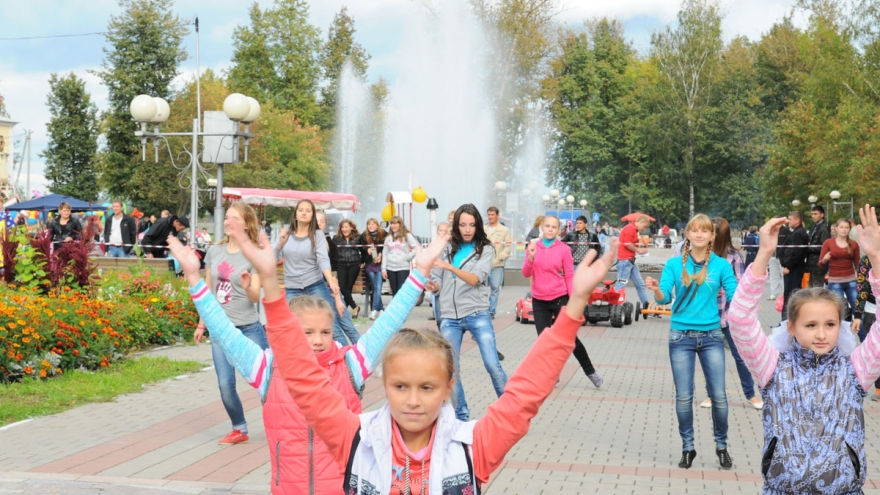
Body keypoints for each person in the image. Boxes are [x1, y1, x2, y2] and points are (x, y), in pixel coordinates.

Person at [248, 217, 618, 495]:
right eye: (400, 386)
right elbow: (304, 380)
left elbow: (524, 395)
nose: (412, 401)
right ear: (384, 386)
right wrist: (270, 290)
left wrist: (574, 308)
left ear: (448, 388)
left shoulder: (473, 448)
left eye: (427, 387)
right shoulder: (355, 441)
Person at [168, 228, 449, 493]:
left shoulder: (351, 365)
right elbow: (224, 331)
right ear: (289, 332)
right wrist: (194, 278)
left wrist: (420, 272)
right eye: (308, 333)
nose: (318, 340)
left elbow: (388, 323)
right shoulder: (267, 368)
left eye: (325, 332)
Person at [728, 207, 880, 493]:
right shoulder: (771, 367)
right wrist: (763, 255)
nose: (821, 334)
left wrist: (875, 258)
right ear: (792, 327)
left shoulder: (855, 370)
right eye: (810, 325)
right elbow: (739, 320)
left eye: (830, 324)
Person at [645, 214, 737, 470]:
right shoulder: (674, 265)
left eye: (704, 231)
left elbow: (735, 296)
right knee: (684, 397)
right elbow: (664, 299)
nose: (698, 234)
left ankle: (721, 446)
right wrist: (655, 290)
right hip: (680, 337)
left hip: (711, 336)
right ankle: (688, 448)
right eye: (694, 230)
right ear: (687, 234)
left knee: (719, 396)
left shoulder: (721, 265)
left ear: (711, 236)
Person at [192, 201, 268, 446]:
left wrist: (248, 288)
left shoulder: (253, 253)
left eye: (234, 218)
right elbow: (208, 293)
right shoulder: (214, 251)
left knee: (267, 382)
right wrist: (202, 324)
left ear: (245, 223)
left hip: (248, 328)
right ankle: (239, 428)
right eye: (226, 217)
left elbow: (256, 296)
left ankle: (288, 424)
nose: (227, 222)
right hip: (221, 331)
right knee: (225, 384)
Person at [427, 203, 507, 421]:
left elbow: (475, 279)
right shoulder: (447, 248)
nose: (467, 229)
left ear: (478, 225)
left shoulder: (485, 248)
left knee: (492, 363)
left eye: (471, 224)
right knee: (451, 370)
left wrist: (450, 268)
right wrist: (432, 286)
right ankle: (461, 416)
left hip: (477, 313)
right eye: (463, 224)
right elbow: (438, 280)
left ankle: (510, 410)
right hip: (450, 318)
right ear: (456, 225)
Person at [523, 215, 604, 388]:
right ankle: (553, 375)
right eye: (547, 226)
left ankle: (590, 371)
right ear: (542, 228)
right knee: (544, 342)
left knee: (570, 339)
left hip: (560, 299)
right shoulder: (533, 247)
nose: (550, 229)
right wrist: (530, 258)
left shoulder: (563, 249)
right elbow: (525, 273)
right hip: (539, 301)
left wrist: (574, 302)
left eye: (554, 227)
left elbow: (569, 275)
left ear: (558, 230)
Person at [699, 218, 762, 410]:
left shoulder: (734, 257)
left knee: (740, 355)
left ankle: (750, 394)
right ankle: (712, 394)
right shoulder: (701, 255)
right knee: (712, 357)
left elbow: (740, 285)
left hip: (730, 315)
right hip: (707, 315)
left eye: (709, 231)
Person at [276, 200, 359, 346]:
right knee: (293, 329)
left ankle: (345, 361)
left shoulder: (317, 235)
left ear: (312, 215)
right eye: (301, 209)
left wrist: (331, 282)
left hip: (314, 285)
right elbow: (272, 259)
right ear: (295, 213)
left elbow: (323, 259)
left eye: (308, 210)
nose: (304, 213)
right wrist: (279, 245)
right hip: (292, 289)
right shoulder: (285, 234)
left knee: (331, 326)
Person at [819, 218, 860, 319]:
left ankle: (865, 335)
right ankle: (840, 334)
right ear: (836, 228)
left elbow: (858, 265)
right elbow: (820, 264)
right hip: (835, 281)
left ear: (849, 229)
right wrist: (825, 259)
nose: (844, 230)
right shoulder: (828, 243)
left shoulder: (854, 244)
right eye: (841, 227)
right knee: (838, 312)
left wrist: (861, 281)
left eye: (846, 227)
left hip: (851, 281)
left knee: (858, 310)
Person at [614, 216, 652, 312]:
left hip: (629, 261)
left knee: (640, 284)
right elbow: (627, 244)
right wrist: (638, 250)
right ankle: (615, 308)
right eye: (644, 226)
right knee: (620, 285)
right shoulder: (630, 228)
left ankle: (647, 307)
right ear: (641, 222)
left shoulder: (633, 230)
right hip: (625, 261)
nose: (644, 229)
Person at [778, 211, 809, 320]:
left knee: (790, 294)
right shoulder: (796, 232)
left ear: (797, 220)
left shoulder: (798, 233)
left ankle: (787, 320)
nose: (788, 221)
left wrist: (788, 266)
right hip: (793, 268)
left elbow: (796, 253)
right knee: (790, 293)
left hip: (793, 269)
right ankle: (786, 319)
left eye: (790, 219)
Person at [381, 215, 419, 297]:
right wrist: (384, 269)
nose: (393, 226)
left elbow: (417, 247)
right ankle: (395, 309)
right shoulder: (388, 238)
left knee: (401, 291)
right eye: (391, 224)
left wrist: (408, 258)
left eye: (395, 223)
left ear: (400, 224)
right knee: (394, 291)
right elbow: (385, 253)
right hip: (390, 268)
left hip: (403, 268)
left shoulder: (407, 235)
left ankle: (402, 309)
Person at [485, 206, 512, 319]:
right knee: (481, 288)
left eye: (492, 215)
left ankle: (491, 311)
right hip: (484, 264)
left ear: (497, 215)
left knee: (495, 288)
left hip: (497, 264)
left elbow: (508, 246)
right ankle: (482, 310)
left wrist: (501, 257)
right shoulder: (483, 228)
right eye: (489, 215)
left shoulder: (504, 230)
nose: (490, 217)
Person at [359, 218, 386, 320]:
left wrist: (381, 254)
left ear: (377, 226)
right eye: (369, 224)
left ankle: (375, 309)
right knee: (375, 287)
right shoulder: (363, 235)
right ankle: (381, 309)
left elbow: (386, 247)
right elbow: (360, 248)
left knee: (378, 287)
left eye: (373, 224)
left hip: (379, 265)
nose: (371, 226)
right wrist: (367, 250)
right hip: (370, 264)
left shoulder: (383, 234)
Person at [334, 219, 362, 318]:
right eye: (343, 227)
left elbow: (364, 249)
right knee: (342, 286)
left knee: (348, 287)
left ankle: (343, 309)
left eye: (346, 227)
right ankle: (355, 307)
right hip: (341, 264)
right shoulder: (336, 238)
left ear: (351, 227)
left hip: (354, 264)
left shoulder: (358, 237)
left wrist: (362, 262)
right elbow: (333, 252)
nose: (344, 229)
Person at [428, 222, 451, 325]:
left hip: (450, 285)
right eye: (440, 230)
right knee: (439, 318)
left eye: (445, 231)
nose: (442, 233)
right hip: (437, 280)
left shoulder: (452, 247)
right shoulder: (434, 245)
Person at [806, 205, 832, 288]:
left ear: (822, 214)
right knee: (811, 288)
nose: (813, 216)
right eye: (812, 214)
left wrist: (809, 248)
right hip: (812, 263)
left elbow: (824, 247)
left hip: (819, 263)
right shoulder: (815, 226)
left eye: (815, 214)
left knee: (817, 288)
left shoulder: (824, 228)